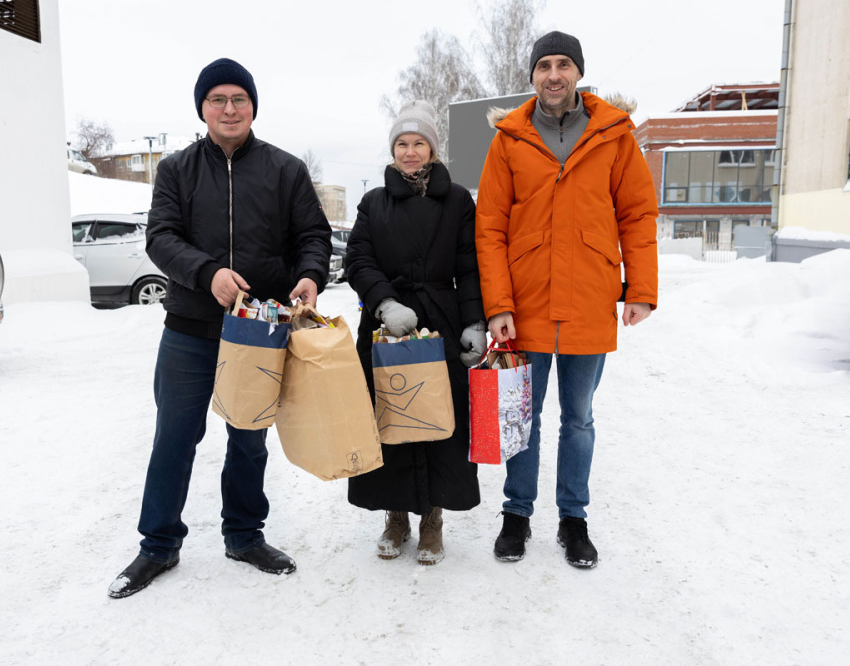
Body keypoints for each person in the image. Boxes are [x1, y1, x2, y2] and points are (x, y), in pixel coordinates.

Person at [108, 58, 332, 598]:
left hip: (259, 331)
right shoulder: (178, 170)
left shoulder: (285, 169)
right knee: (174, 438)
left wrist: (308, 275)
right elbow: (160, 237)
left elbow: (313, 235)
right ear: (202, 108)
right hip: (189, 329)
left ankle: (244, 535)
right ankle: (158, 544)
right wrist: (207, 273)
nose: (229, 109)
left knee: (249, 437)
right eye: (217, 100)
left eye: (239, 99)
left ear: (253, 106)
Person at [475, 31, 658, 569]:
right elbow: (490, 228)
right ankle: (516, 514)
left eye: (563, 65)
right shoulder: (508, 140)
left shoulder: (614, 135)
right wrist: (498, 305)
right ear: (532, 76)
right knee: (521, 417)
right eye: (544, 66)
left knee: (578, 418)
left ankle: (573, 519)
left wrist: (640, 289)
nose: (553, 74)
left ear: (578, 73)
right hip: (525, 306)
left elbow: (637, 214)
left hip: (588, 299)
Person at [345, 100, 486, 565]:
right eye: (402, 144)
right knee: (391, 420)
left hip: (440, 324)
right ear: (392, 150)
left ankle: (432, 521)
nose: (410, 152)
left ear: (432, 148)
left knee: (436, 422)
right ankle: (395, 518)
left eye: (418, 143)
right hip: (388, 329)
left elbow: (469, 267)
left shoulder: (459, 200)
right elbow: (358, 260)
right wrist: (384, 302)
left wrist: (473, 323)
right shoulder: (374, 202)